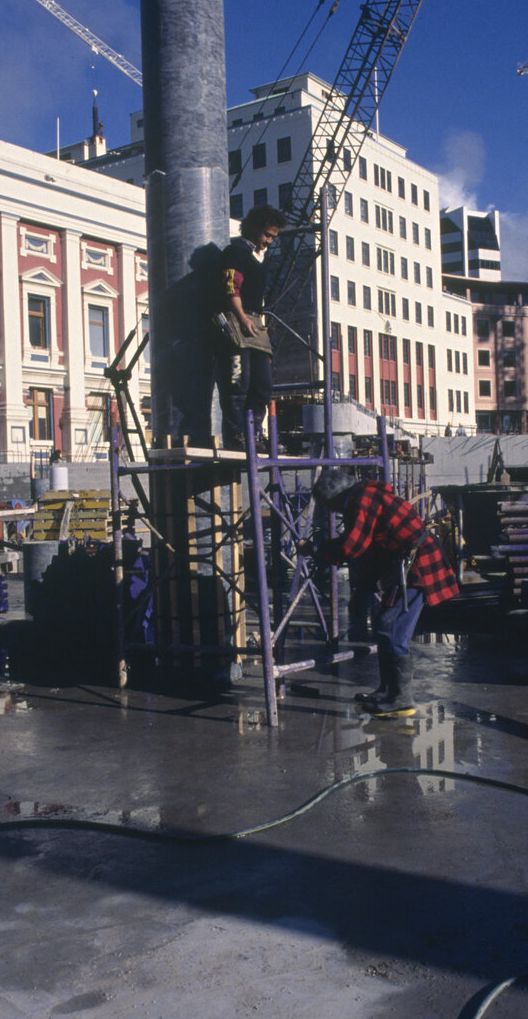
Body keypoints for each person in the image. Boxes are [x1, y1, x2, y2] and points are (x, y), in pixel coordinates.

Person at [304, 468, 459, 718]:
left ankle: (401, 699)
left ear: (333, 496)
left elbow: (353, 546)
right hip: (406, 562)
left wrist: (317, 549)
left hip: (417, 562)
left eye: (328, 505)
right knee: (385, 624)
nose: (331, 512)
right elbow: (370, 554)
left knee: (392, 627)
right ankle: (389, 691)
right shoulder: (364, 496)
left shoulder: (362, 499)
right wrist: (360, 593)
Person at [217, 205, 287, 452]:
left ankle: (254, 433)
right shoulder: (235, 252)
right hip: (237, 320)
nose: (269, 241)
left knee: (262, 385)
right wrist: (241, 317)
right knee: (238, 382)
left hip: (256, 322)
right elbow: (230, 288)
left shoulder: (261, 258)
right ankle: (236, 436)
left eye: (272, 237)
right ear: (255, 229)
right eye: (267, 235)